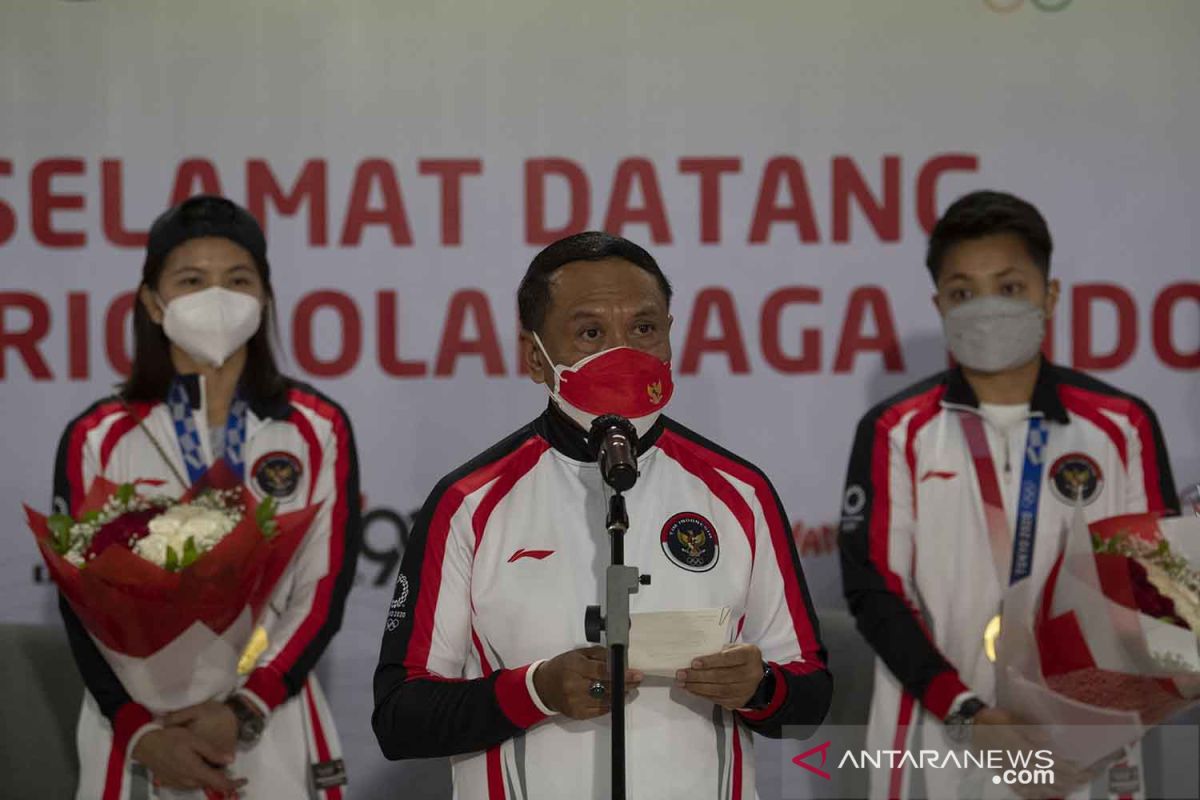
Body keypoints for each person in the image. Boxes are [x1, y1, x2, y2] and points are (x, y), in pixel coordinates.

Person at [373, 231, 831, 798]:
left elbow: (810, 696)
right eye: (591, 333)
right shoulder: (469, 503)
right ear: (535, 357)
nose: (624, 354)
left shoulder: (742, 492)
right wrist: (537, 690)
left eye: (644, 328)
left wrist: (760, 687)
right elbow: (399, 716)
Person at [838, 190, 1179, 799]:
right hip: (935, 735)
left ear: (1049, 296)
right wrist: (967, 714)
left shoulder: (1121, 426)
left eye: (1010, 287)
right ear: (939, 304)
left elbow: (1156, 594)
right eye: (964, 292)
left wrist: (1079, 727)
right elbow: (876, 592)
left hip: (1084, 748)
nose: (986, 310)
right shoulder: (897, 431)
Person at [53, 195, 360, 799]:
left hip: (271, 720)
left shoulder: (316, 427)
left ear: (265, 296)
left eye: (237, 280)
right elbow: (79, 603)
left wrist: (245, 707)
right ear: (152, 300)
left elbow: (323, 591)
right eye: (191, 281)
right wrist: (141, 730)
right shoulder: (97, 437)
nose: (215, 298)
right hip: (140, 735)